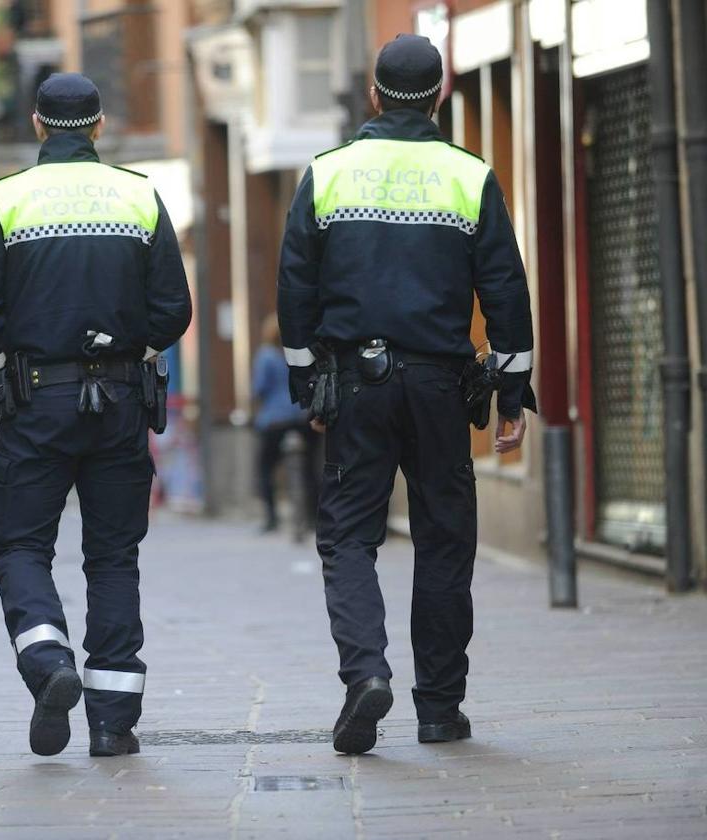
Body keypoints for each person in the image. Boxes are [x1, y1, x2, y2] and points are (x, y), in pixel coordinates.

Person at [276, 34, 536, 755]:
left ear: (374, 95)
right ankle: (439, 710)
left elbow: (294, 283)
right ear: (442, 95)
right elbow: (505, 290)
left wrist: (307, 377)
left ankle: (365, 673)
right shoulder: (468, 175)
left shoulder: (328, 175)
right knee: (444, 541)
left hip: (356, 385)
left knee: (348, 537)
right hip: (440, 387)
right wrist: (512, 392)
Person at [0, 73, 191, 758]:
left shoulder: (4, 201)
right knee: (113, 555)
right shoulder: (139, 196)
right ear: (99, 124)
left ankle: (48, 658)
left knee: (21, 544)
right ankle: (114, 721)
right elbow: (173, 309)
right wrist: (129, 351)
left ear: (36, 125)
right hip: (119, 401)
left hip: (37, 401)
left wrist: (10, 361)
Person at [252, 313, 320, 534]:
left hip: (274, 421)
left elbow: (259, 388)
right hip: (302, 418)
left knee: (265, 469)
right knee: (310, 469)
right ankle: (311, 518)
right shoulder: (303, 354)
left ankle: (271, 518)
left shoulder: (266, 357)